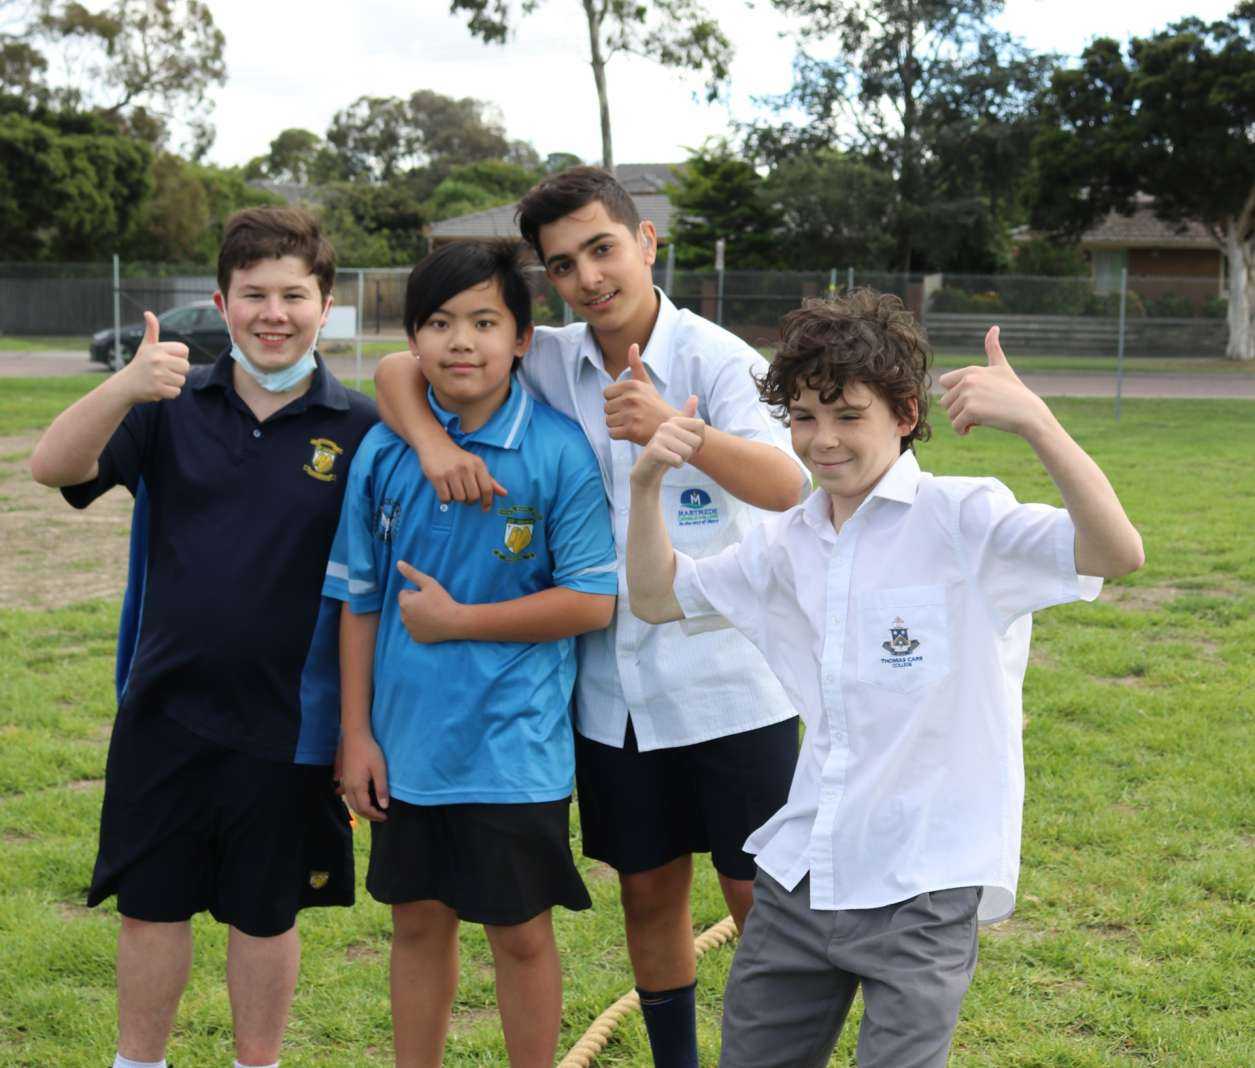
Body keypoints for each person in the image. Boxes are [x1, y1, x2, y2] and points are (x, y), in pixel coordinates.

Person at [625, 290, 1145, 1068]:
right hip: (803, 874)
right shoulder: (785, 543)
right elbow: (657, 597)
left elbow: (1115, 553)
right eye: (804, 417)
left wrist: (1037, 423)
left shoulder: (965, 520)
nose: (822, 439)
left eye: (847, 415)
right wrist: (644, 488)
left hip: (923, 884)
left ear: (904, 414)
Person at [373, 166, 810, 1068]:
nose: (589, 277)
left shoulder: (717, 359)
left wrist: (675, 430)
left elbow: (787, 483)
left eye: (602, 249)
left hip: (730, 684)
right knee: (647, 895)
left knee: (757, 898)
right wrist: (428, 442)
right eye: (564, 265)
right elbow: (397, 367)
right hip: (612, 694)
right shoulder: (547, 355)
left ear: (646, 242)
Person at [28, 206, 378, 1068]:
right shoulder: (167, 404)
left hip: (291, 725)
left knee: (266, 913)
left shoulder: (361, 428)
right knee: (151, 907)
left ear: (325, 305)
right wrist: (123, 386)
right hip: (167, 711)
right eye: (252, 294)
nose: (273, 314)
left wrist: (358, 728)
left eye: (292, 295)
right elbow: (53, 467)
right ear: (222, 305)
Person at [325, 240, 618, 1068]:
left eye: (485, 323)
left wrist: (458, 622)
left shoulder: (557, 450)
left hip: (513, 748)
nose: (462, 342)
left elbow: (591, 601)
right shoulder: (386, 450)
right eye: (440, 323)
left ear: (522, 338)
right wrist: (357, 734)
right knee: (416, 924)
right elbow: (359, 601)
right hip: (406, 746)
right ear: (413, 339)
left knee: (519, 934)